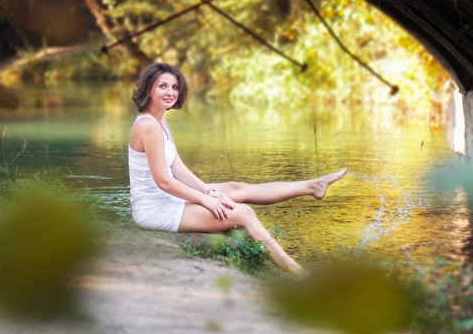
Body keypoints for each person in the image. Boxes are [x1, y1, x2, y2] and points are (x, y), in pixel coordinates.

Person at [128, 63, 347, 276]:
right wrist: (205, 200)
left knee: (235, 188)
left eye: (175, 87)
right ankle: (298, 273)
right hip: (153, 209)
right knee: (244, 213)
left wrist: (208, 191)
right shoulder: (148, 126)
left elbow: (178, 167)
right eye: (163, 86)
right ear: (149, 88)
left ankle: (312, 186)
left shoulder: (160, 122)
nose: (170, 92)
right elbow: (164, 181)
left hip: (165, 198)